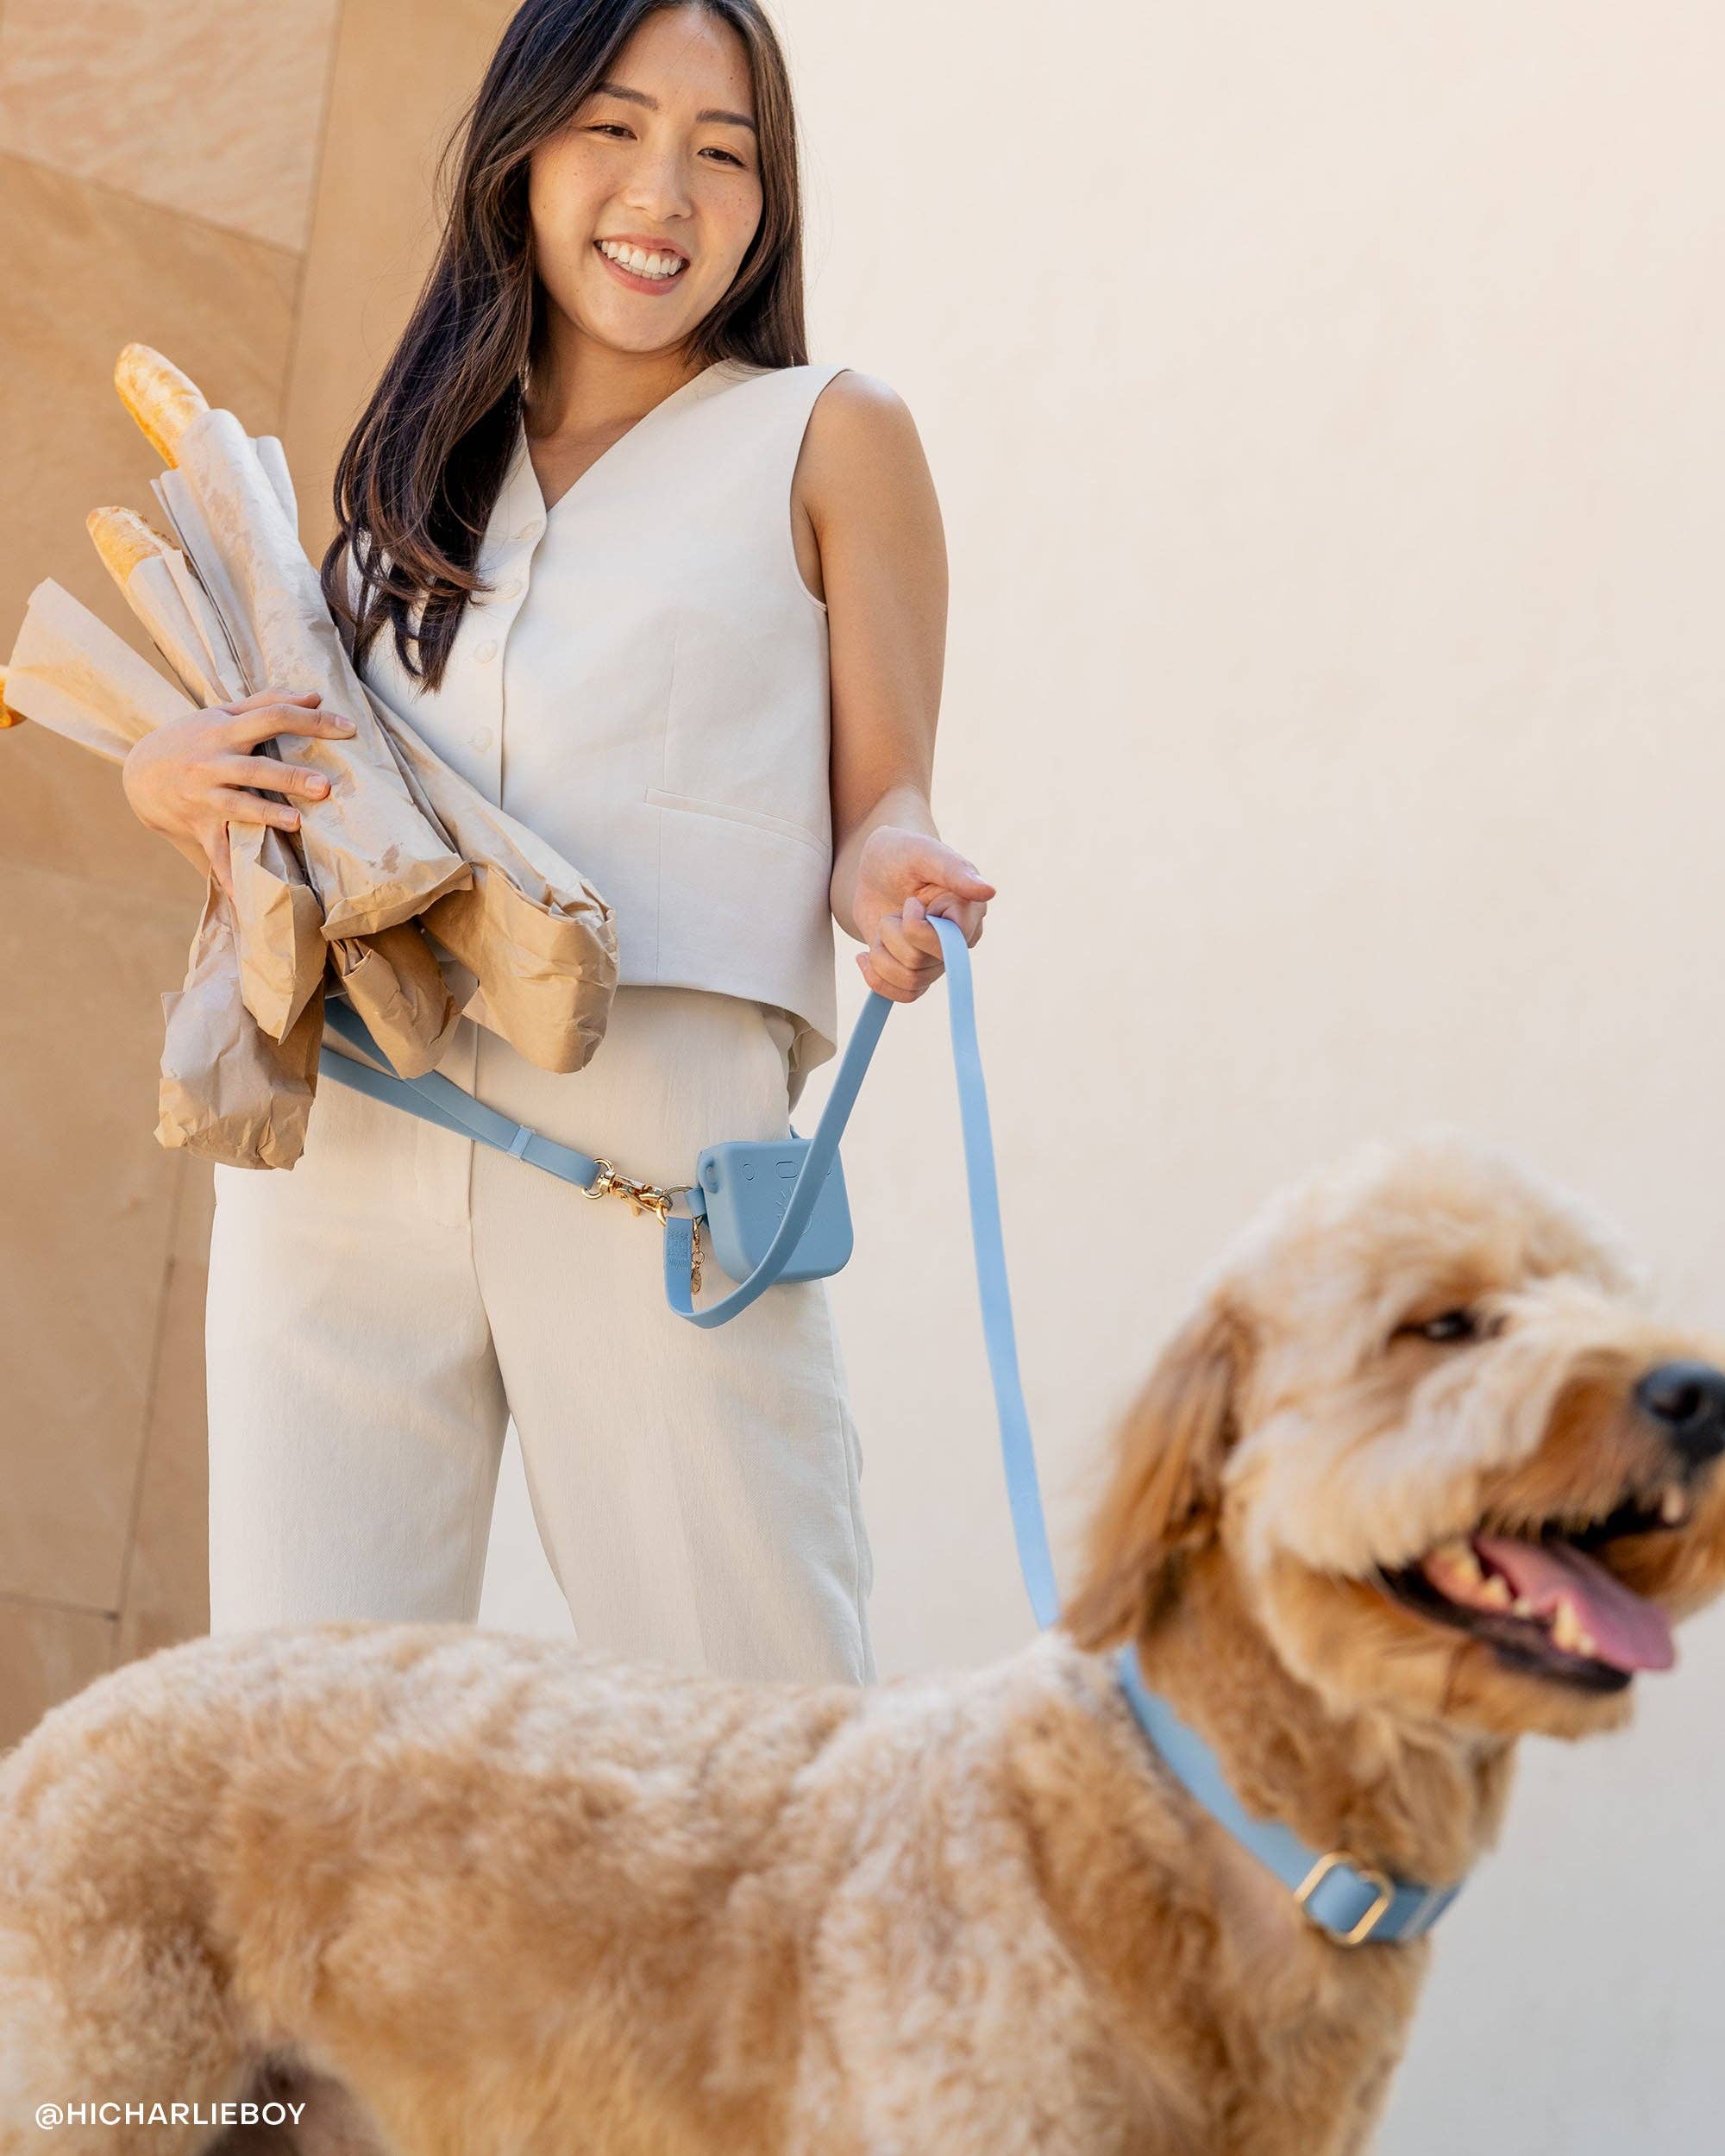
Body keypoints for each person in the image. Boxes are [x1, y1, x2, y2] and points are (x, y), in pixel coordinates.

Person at [120, 0, 994, 1685]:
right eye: (614, 126)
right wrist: (189, 785)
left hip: (648, 1142)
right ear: (523, 149)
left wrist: (890, 861)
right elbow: (331, 827)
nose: (665, 189)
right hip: (354, 1129)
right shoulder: (408, 477)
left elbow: (887, 792)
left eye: (723, 151)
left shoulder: (826, 433)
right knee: (297, 1745)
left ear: (769, 192)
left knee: (758, 1725)